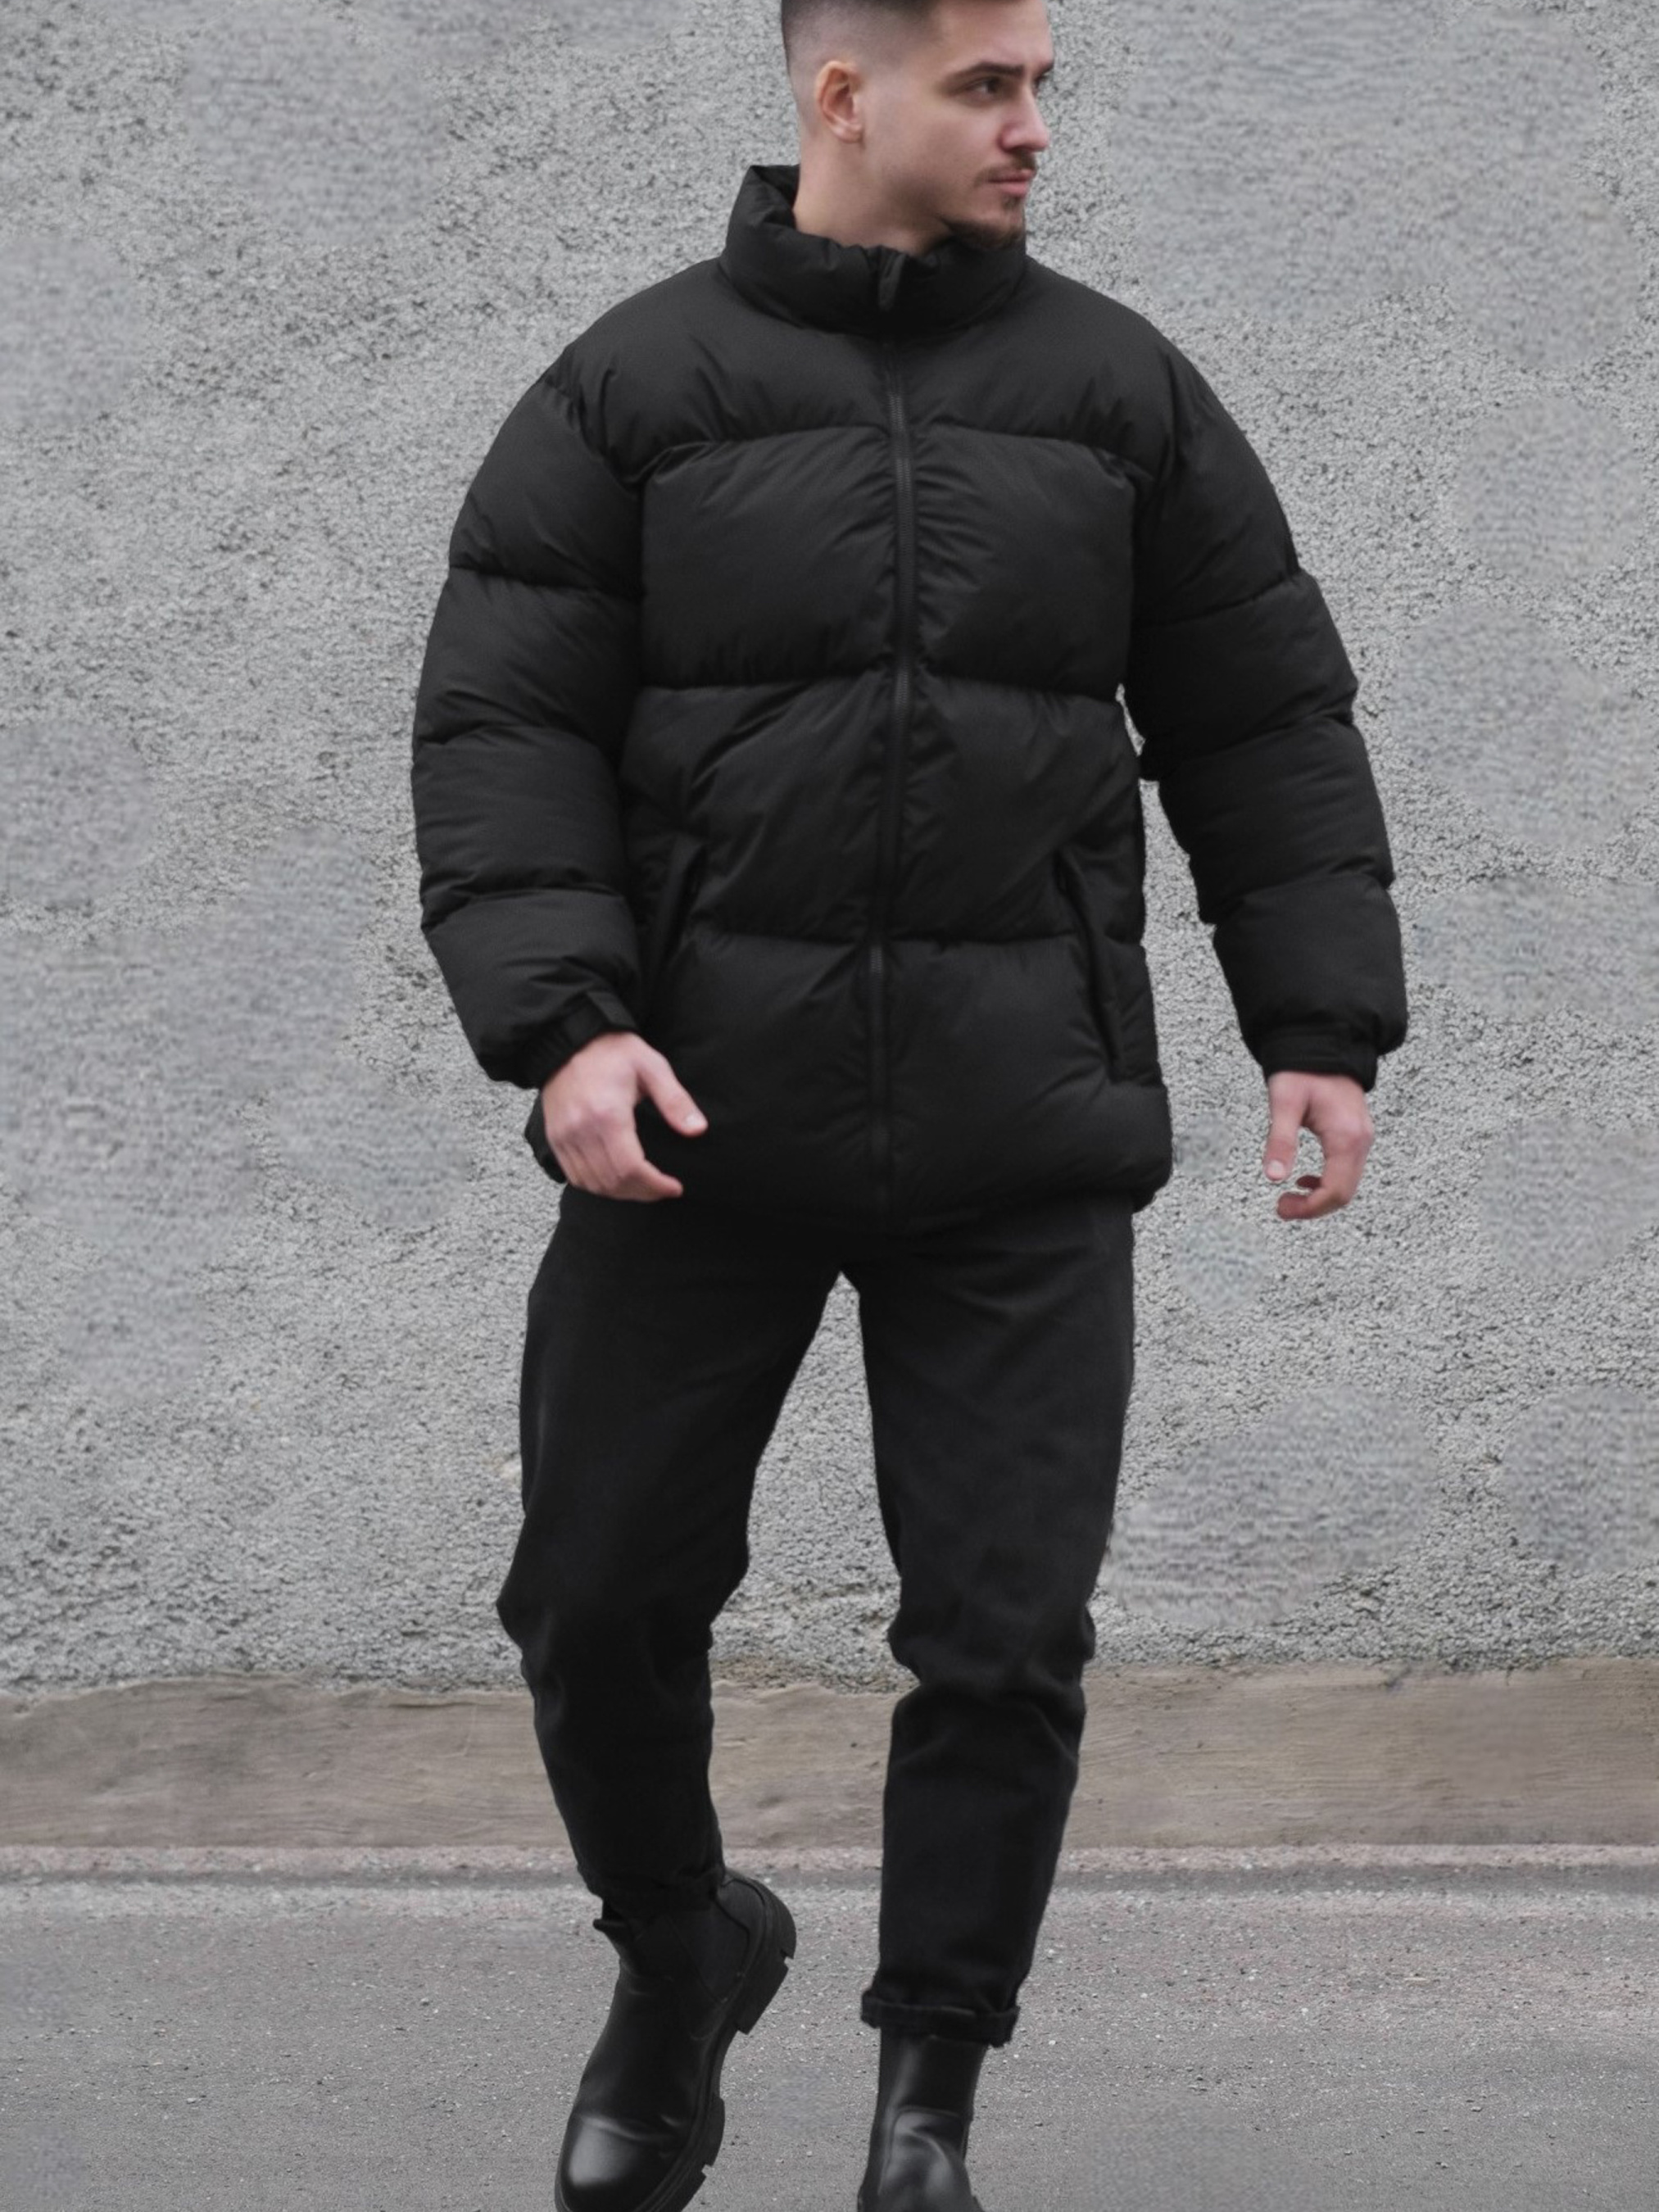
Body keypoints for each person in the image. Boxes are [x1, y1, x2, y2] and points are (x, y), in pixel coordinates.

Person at [409, 0, 1409, 2204]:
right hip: (697, 1131)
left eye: (1044, 83)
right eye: (989, 85)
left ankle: (924, 2105)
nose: (1035, 126)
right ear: (840, 94)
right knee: (592, 1594)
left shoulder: (1120, 394)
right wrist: (565, 1027)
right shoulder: (633, 389)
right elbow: (504, 727)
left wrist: (1319, 1026)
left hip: (1018, 1131)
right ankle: (678, 1955)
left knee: (1001, 1636)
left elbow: (1262, 720)